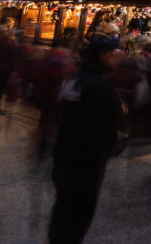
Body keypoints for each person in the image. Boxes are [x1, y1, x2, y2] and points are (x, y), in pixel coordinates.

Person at [49, 35, 125, 244]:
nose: (114, 58)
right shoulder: (101, 84)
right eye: (111, 54)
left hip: (63, 153)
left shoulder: (73, 78)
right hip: (86, 160)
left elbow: (59, 112)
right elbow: (109, 125)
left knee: (63, 207)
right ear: (102, 55)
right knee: (79, 214)